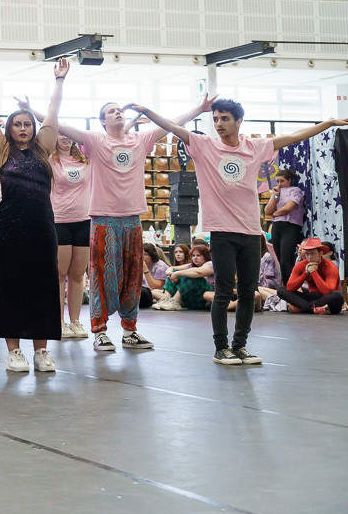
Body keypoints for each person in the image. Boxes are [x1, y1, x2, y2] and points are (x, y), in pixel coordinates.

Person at [131, 99, 346, 364]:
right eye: (215, 119)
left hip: (251, 232)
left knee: (247, 293)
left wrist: (328, 123)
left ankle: (240, 345)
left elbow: (293, 136)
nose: (218, 124)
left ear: (238, 121)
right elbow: (173, 127)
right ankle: (221, 348)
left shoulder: (254, 147)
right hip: (221, 232)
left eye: (224, 118)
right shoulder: (205, 145)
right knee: (223, 292)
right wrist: (148, 111)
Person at [44, 93, 214, 352]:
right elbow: (58, 124)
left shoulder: (140, 139)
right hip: (104, 220)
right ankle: (100, 331)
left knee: (133, 277)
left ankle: (129, 330)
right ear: (103, 121)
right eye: (111, 111)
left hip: (132, 220)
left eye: (119, 109)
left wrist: (199, 109)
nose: (118, 112)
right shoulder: (95, 140)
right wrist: (34, 109)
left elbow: (172, 124)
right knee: (102, 276)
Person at [0, 58, 69, 372]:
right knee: (9, 287)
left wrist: (59, 81)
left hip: (41, 228)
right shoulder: (1, 151)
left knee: (43, 287)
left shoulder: (44, 149)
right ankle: (14, 352)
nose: (23, 128)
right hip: (7, 230)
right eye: (17, 124)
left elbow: (53, 114)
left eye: (27, 124)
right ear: (9, 129)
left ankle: (41, 351)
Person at [48, 134, 91, 339]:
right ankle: (59, 321)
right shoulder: (51, 160)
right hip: (60, 221)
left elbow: (106, 143)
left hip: (83, 221)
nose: (65, 138)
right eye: (61, 134)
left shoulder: (86, 160)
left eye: (68, 134)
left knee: (78, 275)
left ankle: (75, 321)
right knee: (60, 274)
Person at [276, 238, 344, 314]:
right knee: (281, 290)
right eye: (307, 254)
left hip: (326, 298)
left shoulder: (330, 267)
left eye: (312, 253)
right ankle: (312, 309)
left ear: (320, 253)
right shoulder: (301, 265)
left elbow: (327, 292)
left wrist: (314, 272)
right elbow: (290, 288)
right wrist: (306, 273)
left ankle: (305, 307)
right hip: (311, 297)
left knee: (338, 296)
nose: (309, 257)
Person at [264, 168, 304, 283]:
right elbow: (267, 211)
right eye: (277, 181)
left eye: (282, 181)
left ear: (289, 180)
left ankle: (293, 285)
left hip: (290, 226)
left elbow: (287, 208)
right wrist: (275, 196)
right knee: (280, 259)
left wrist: (274, 214)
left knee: (286, 259)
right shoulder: (277, 192)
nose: (279, 184)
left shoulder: (295, 190)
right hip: (277, 226)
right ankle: (286, 285)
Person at [153, 244, 215, 310]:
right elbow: (172, 268)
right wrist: (170, 273)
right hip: (193, 296)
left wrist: (177, 273)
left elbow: (199, 272)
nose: (195, 258)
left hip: (206, 295)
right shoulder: (191, 265)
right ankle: (166, 299)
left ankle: (175, 301)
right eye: (193, 255)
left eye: (198, 255)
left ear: (206, 256)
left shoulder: (210, 264)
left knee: (190, 273)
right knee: (177, 272)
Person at [140, 243, 170, 308]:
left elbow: (156, 287)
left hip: (158, 294)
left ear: (152, 255)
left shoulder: (160, 266)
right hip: (148, 292)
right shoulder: (139, 265)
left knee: (145, 293)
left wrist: (145, 270)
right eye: (140, 254)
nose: (142, 257)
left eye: (145, 254)